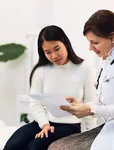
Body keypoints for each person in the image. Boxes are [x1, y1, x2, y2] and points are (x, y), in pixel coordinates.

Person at [4, 25, 97, 150]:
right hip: (44, 122)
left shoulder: (85, 69)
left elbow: (90, 104)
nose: (54, 56)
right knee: (13, 145)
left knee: (36, 146)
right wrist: (45, 124)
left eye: (57, 49)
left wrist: (90, 136)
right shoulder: (40, 71)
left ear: (66, 43)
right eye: (48, 52)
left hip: (71, 125)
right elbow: (35, 103)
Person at [48, 9, 114, 150]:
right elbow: (104, 99)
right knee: (56, 146)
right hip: (109, 125)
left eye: (95, 42)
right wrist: (81, 106)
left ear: (112, 37)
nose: (90, 48)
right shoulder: (105, 60)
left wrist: (91, 109)